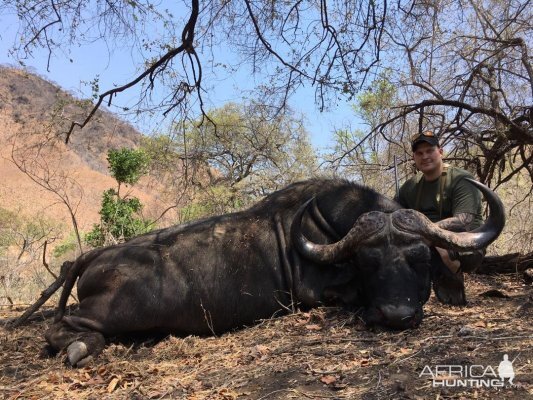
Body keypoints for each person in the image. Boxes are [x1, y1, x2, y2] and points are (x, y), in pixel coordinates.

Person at [397, 131, 485, 305]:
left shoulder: (461, 179)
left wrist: (425, 232)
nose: (425, 156)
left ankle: (452, 275)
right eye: (419, 153)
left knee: (443, 250)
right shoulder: (410, 187)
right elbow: (394, 214)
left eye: (430, 150)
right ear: (414, 157)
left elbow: (463, 220)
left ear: (441, 152)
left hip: (464, 243)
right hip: (423, 241)